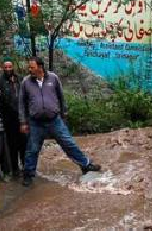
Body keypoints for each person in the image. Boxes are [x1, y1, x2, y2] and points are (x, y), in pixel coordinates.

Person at [19, 56, 101, 186]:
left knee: (69, 143)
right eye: (29, 67)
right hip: (36, 123)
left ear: (40, 67)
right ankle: (28, 174)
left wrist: (64, 113)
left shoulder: (53, 78)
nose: (29, 69)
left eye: (32, 67)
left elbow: (61, 97)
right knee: (32, 149)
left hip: (54, 120)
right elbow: (22, 103)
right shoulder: (26, 82)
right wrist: (23, 122)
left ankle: (85, 164)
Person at [0, 61, 25, 179]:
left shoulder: (20, 80)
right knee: (12, 145)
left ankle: (26, 166)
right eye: (6, 67)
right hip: (8, 119)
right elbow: (0, 101)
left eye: (10, 67)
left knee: (24, 143)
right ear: (2, 68)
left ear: (13, 67)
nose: (8, 69)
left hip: (21, 118)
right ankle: (15, 169)